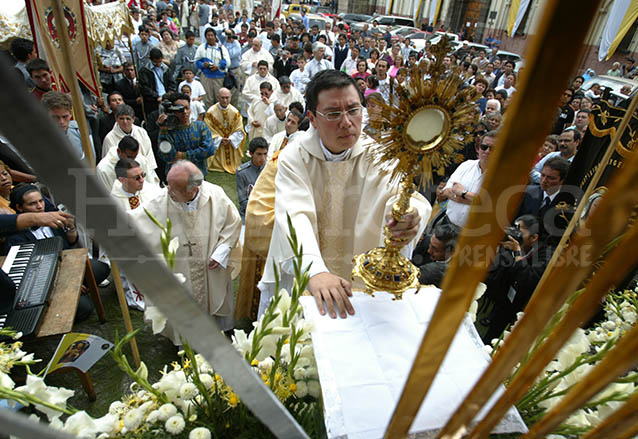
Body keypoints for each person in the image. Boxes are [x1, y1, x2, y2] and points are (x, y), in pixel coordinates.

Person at [258, 70, 430, 319]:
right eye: (333, 113)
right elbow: (295, 215)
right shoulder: (294, 157)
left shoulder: (378, 156)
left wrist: (410, 215)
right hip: (306, 268)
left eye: (353, 110)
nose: (346, 122)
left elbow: (401, 194)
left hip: (360, 276)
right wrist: (315, 271)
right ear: (313, 118)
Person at [129, 160, 241, 343]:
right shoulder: (164, 200)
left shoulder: (215, 196)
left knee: (215, 296)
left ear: (192, 189)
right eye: (168, 186)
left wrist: (221, 252)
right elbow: (135, 221)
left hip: (211, 266)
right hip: (181, 270)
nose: (168, 192)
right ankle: (186, 342)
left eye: (174, 189)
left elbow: (233, 223)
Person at [7, 184, 110, 321]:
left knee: (101, 267)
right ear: (19, 208)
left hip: (65, 268)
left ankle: (76, 292)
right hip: (43, 282)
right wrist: (69, 284)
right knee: (84, 310)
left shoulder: (51, 217)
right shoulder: (16, 237)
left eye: (41, 201)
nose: (39, 206)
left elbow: (69, 245)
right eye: (33, 204)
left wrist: (71, 227)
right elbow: (31, 275)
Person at [480, 215, 554, 343]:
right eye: (514, 228)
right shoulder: (516, 244)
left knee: (505, 340)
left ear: (534, 237)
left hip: (524, 306)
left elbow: (528, 279)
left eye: (519, 231)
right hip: (505, 299)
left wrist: (517, 253)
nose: (514, 234)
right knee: (492, 334)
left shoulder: (545, 254)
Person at [109, 158, 162, 310]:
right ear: (122, 180)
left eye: (142, 174)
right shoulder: (112, 203)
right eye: (136, 177)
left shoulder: (152, 191)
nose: (142, 180)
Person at [440, 130, 497, 227]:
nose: (487, 151)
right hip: (447, 224)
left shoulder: (499, 175)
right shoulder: (466, 165)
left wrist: (462, 193)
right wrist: (473, 200)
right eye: (484, 147)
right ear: (478, 148)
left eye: (492, 148)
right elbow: (446, 191)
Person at [157, 92, 216, 177]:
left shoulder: (200, 127)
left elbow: (209, 149)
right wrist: (163, 130)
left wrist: (183, 155)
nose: (184, 112)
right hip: (176, 178)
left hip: (198, 176)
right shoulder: (168, 131)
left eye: (187, 108)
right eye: (180, 109)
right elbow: (168, 156)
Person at [102, 104, 158, 173]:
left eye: (128, 118)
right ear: (116, 119)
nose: (125, 122)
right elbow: (109, 163)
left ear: (133, 119)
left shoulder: (142, 132)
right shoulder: (109, 138)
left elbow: (149, 155)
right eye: (121, 118)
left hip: (145, 171)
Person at [42, 91, 95, 161]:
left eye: (65, 117)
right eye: (55, 118)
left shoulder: (81, 131)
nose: (61, 122)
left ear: (70, 113)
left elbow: (91, 162)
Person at [204, 87, 246, 174]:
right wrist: (219, 139)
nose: (225, 100)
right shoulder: (211, 112)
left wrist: (230, 139)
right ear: (218, 97)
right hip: (218, 145)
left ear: (230, 97)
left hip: (230, 143)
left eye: (227, 97)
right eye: (222, 97)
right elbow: (208, 129)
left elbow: (239, 129)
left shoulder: (235, 112)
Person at [414, 223, 460, 288]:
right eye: (430, 244)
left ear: (451, 253)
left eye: (435, 249)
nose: (429, 250)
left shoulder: (451, 273)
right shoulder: (427, 241)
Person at [195, 28, 231, 109]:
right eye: (208, 35)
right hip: (206, 77)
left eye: (212, 35)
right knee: (207, 99)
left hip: (219, 77)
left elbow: (227, 62)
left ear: (215, 37)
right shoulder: (201, 48)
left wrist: (217, 66)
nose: (210, 37)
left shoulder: (221, 48)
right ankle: (209, 116)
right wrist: (203, 65)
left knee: (219, 98)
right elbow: (196, 61)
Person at [236, 137, 268, 222]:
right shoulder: (242, 172)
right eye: (259, 154)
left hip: (269, 212)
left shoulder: (272, 169)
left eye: (265, 154)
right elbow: (243, 201)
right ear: (251, 153)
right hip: (249, 212)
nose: (263, 158)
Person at [139, 48, 176, 118]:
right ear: (151, 59)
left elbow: (172, 83)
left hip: (166, 98)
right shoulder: (144, 70)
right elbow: (144, 87)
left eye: (160, 62)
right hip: (153, 101)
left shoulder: (166, 69)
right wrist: (156, 96)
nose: (158, 64)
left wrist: (169, 94)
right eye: (156, 62)